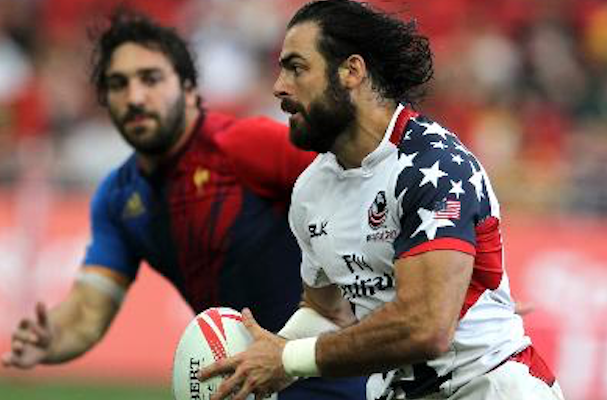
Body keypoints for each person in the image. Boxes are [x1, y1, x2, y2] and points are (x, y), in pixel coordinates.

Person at [198, 1, 565, 400]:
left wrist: (287, 359)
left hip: (488, 389)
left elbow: (427, 327)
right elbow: (326, 311)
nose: (279, 86)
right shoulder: (311, 191)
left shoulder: (434, 165)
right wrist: (263, 358)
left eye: (297, 67)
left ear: (351, 71)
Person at [0, 10, 367, 400]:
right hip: (241, 386)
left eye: (151, 79)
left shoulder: (246, 146)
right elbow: (88, 312)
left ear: (189, 87)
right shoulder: (119, 196)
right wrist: (50, 337)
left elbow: (356, 192)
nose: (135, 96)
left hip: (339, 379)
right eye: (118, 84)